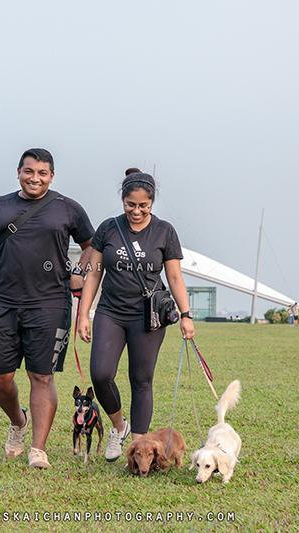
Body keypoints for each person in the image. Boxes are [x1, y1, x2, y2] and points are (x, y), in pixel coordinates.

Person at [0, 148, 94, 469]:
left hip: (50, 304)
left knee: (41, 377)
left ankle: (38, 450)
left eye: (43, 173)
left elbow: (91, 247)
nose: (35, 178)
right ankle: (18, 421)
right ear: (18, 172)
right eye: (29, 171)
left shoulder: (68, 209)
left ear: (52, 176)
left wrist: (79, 273)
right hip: (2, 303)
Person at [77, 169, 195, 463]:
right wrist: (83, 314)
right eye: (131, 205)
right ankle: (120, 427)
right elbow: (92, 275)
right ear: (123, 200)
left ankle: (141, 448)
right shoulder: (109, 228)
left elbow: (175, 277)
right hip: (111, 311)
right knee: (101, 374)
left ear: (152, 203)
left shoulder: (165, 231)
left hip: (149, 317)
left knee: (141, 379)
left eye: (144, 206)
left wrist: (186, 315)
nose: (137, 211)